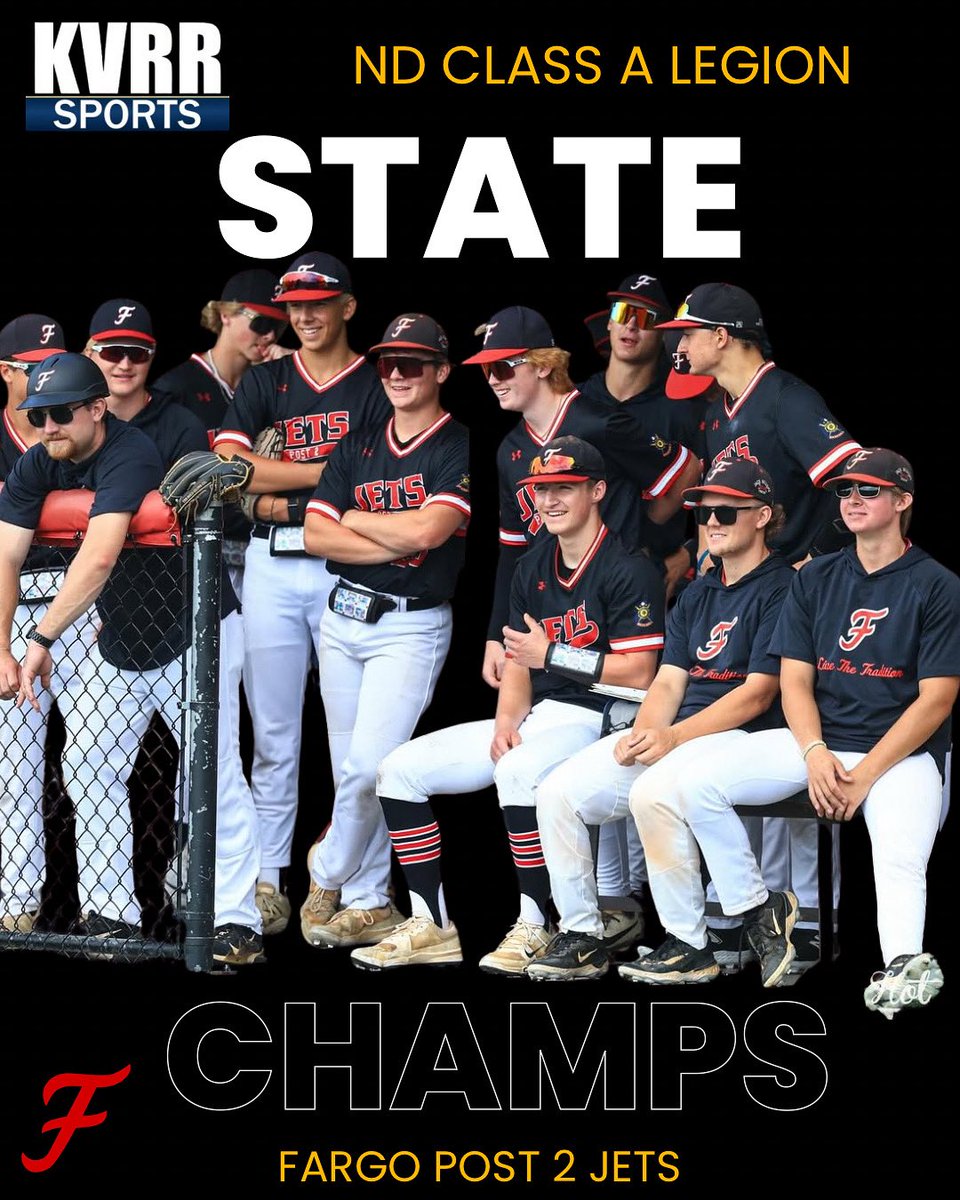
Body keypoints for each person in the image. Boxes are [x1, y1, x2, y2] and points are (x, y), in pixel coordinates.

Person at [630, 449, 959, 1014]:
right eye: (846, 491)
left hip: (901, 753)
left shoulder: (935, 582)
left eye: (870, 491)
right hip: (815, 741)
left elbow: (937, 699)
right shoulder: (818, 575)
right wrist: (813, 752)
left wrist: (862, 776)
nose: (853, 500)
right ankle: (762, 909)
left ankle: (902, 973)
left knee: (900, 856)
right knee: (691, 785)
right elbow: (795, 683)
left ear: (903, 502)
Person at [352, 436, 664, 973]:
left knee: (518, 770)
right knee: (398, 769)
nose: (550, 500)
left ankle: (535, 925)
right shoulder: (534, 564)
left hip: (603, 717)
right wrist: (505, 721)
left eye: (564, 487)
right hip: (543, 715)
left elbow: (641, 673)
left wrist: (555, 655)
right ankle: (432, 925)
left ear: (597, 490)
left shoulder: (628, 564)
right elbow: (519, 662)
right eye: (541, 490)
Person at [0, 352, 262, 965]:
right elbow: (6, 560)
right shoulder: (40, 461)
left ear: (96, 408)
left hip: (196, 627)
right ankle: (110, 916)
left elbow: (98, 558)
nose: (47, 427)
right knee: (88, 761)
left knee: (211, 771)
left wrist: (37, 642)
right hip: (119, 632)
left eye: (60, 413)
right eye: (37, 415)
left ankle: (233, 920)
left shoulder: (132, 449)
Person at [467, 305, 697, 954]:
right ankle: (571, 919)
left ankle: (632, 918)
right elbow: (512, 549)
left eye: (503, 367)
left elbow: (682, 476)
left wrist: (662, 553)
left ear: (543, 364)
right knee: (546, 766)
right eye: (485, 372)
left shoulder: (596, 417)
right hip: (560, 623)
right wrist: (495, 633)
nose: (493, 380)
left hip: (621, 611)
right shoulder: (512, 448)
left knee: (617, 765)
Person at [658, 282, 864, 963]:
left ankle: (805, 923)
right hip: (756, 589)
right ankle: (762, 919)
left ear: (725, 336)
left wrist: (818, 560)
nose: (677, 344)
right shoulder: (719, 408)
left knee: (791, 744)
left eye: (687, 333)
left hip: (806, 596)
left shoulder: (786, 397)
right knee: (747, 746)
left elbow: (855, 477)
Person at [530, 458, 794, 980]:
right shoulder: (698, 591)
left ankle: (687, 943)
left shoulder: (783, 586)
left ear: (762, 516)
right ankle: (584, 933)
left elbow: (758, 694)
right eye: (702, 514)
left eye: (725, 512)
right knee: (556, 791)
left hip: (743, 736)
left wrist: (670, 737)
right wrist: (645, 731)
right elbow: (669, 681)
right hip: (681, 735)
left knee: (654, 790)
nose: (711, 523)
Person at [213, 252, 389, 937]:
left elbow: (377, 482)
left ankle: (364, 888)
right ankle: (264, 881)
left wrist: (275, 481)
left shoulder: (378, 382)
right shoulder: (266, 379)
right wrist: (325, 476)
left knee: (355, 743)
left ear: (348, 306)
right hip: (271, 568)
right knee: (275, 738)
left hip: (348, 568)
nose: (306, 314)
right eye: (294, 304)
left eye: (320, 301)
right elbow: (230, 470)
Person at [298, 313, 470, 950]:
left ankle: (327, 869)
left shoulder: (455, 442)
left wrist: (358, 520)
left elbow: (431, 534)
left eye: (413, 363)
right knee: (348, 768)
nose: (397, 374)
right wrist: (389, 532)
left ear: (442, 371)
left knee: (371, 766)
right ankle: (371, 902)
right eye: (388, 363)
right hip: (341, 619)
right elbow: (317, 534)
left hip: (409, 626)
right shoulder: (362, 439)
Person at [150, 269, 289, 595]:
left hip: (263, 550)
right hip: (196, 553)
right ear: (225, 314)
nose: (269, 335)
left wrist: (294, 371)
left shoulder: (275, 388)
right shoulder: (176, 388)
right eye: (261, 322)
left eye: (279, 326)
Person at [0, 314, 68, 931]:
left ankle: (110, 911)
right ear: (5, 372)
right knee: (14, 766)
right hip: (10, 605)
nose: (44, 374)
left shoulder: (77, 431)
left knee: (96, 764)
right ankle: (19, 903)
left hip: (78, 606)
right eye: (29, 366)